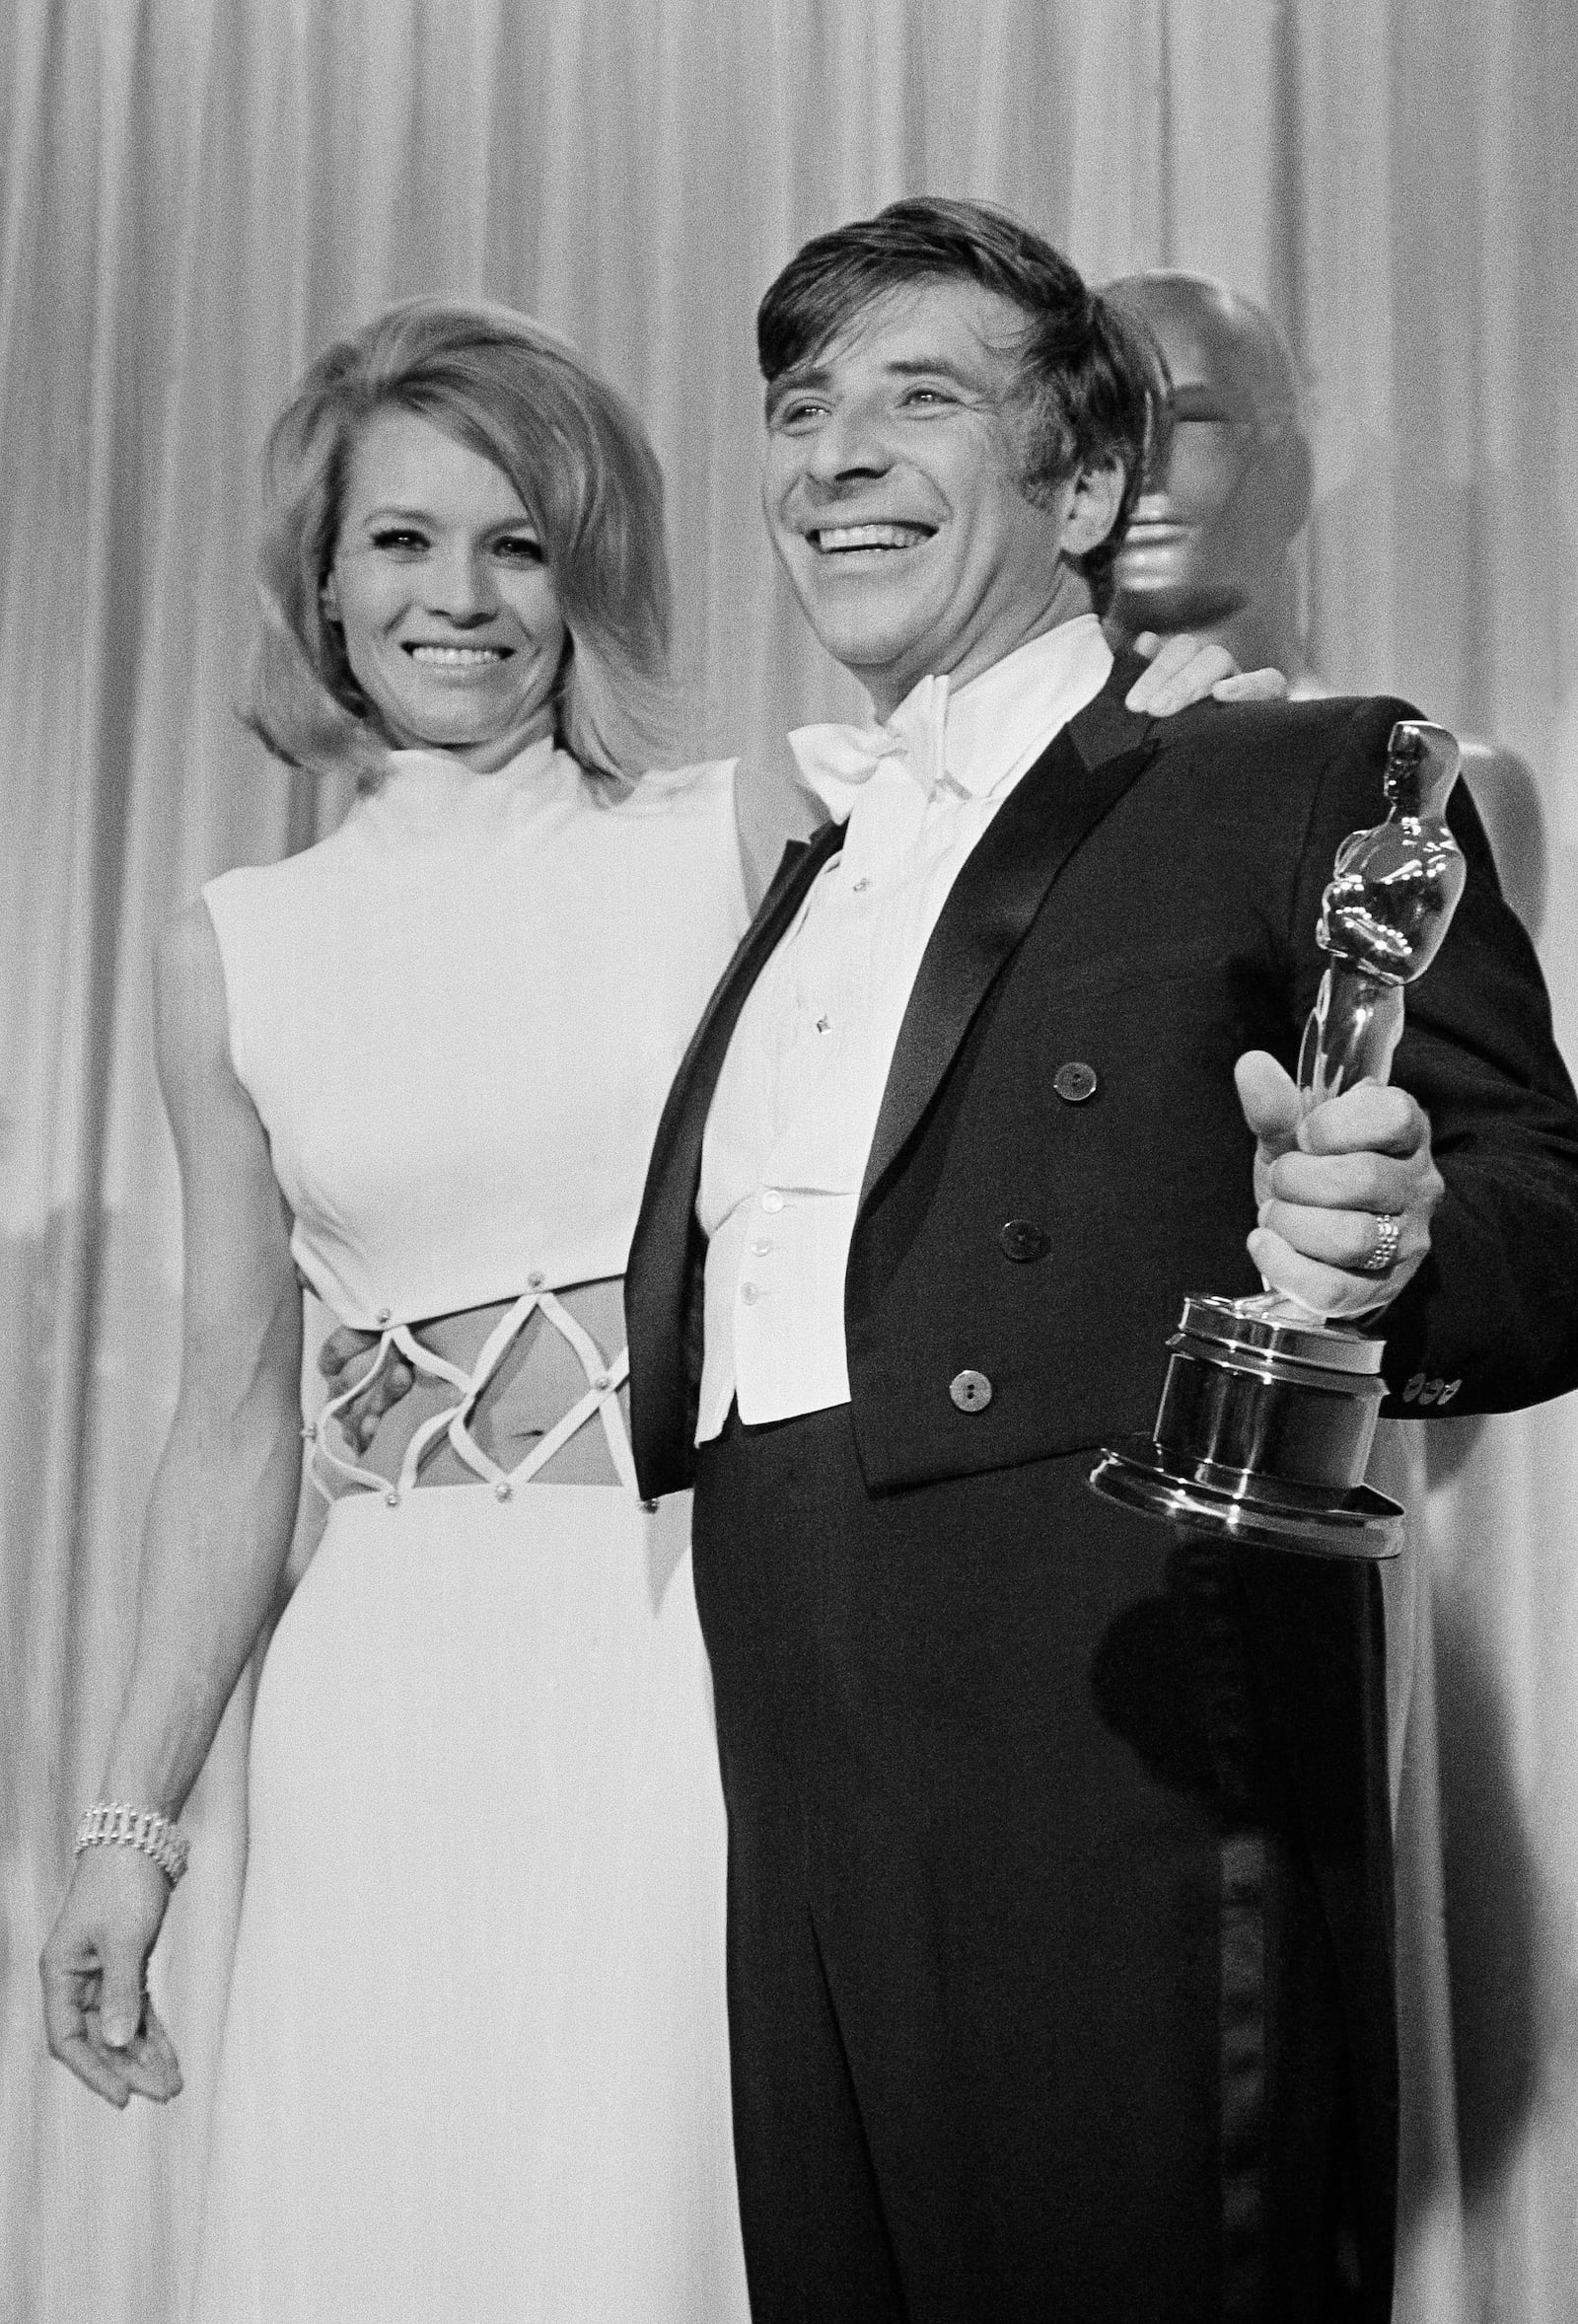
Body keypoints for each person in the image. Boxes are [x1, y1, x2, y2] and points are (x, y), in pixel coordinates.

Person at [36, 296, 1246, 2321]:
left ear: (584, 574)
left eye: (517, 543)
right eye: (402, 540)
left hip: (674, 1641)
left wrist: (1172, 754)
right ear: (318, 582)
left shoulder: (736, 835)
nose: (460, 597)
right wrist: (129, 1823)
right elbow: (236, 1416)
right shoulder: (225, 950)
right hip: (382, 1691)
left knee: (650, 2220)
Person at [622, 198, 1578, 2322]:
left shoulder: (1290, 775)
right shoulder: (810, 856)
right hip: (789, 1675)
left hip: (1112, 1694)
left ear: (1076, 487)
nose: (833, 454)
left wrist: (1401, 1238)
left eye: (917, 399)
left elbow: (1545, 1214)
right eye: (800, 410)